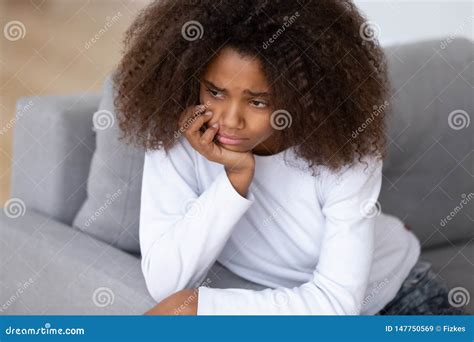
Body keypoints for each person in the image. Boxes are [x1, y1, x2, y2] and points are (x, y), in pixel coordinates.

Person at [113, 0, 464, 315]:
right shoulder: (184, 134)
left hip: (397, 296)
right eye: (215, 92)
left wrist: (201, 308)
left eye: (258, 101)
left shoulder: (344, 154)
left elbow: (336, 307)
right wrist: (235, 181)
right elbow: (165, 282)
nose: (230, 119)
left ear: (298, 95)